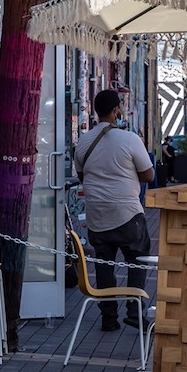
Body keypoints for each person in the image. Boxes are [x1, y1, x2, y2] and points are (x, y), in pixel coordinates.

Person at [76, 89, 156, 331]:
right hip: (127, 213)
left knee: (104, 264)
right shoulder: (129, 139)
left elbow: (82, 175)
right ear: (115, 111)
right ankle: (134, 311)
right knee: (137, 258)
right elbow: (149, 175)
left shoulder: (84, 140)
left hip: (97, 215)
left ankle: (108, 317)